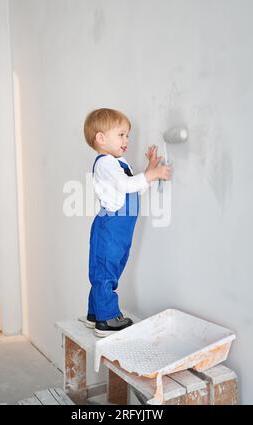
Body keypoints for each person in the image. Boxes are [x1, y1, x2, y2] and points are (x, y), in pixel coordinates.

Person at [84, 108, 171, 337]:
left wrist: (149, 170)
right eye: (121, 135)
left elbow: (135, 188)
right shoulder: (105, 163)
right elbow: (126, 186)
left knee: (113, 266)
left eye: (127, 135)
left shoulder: (118, 163)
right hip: (110, 227)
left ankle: (95, 314)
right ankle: (106, 319)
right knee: (106, 270)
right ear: (101, 138)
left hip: (121, 229)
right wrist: (154, 174)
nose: (126, 140)